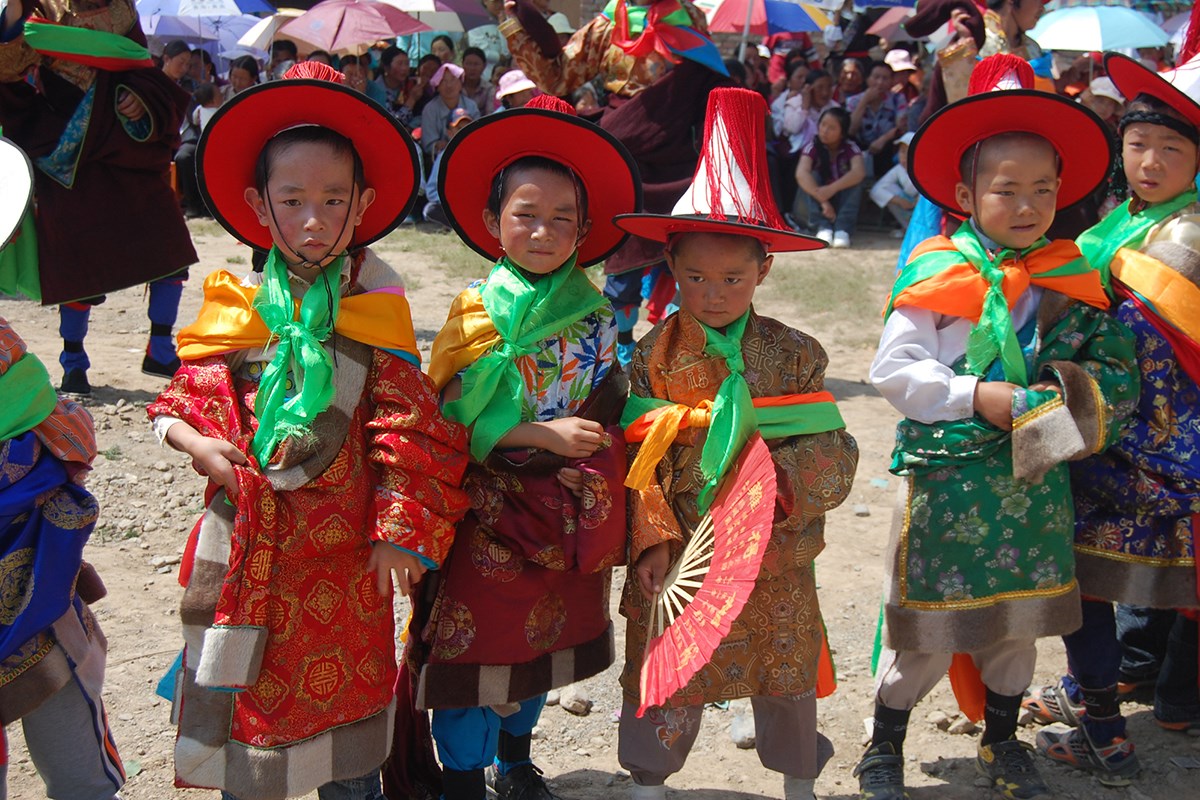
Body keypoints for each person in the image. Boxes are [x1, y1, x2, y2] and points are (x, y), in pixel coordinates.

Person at [145, 62, 470, 800]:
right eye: (292, 200)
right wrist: (197, 443)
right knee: (250, 723)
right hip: (249, 552)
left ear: (364, 205)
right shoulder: (237, 311)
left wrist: (398, 531)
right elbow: (180, 400)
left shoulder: (375, 317)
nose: (314, 219)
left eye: (333, 200)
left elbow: (413, 435)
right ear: (259, 206)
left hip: (346, 565)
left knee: (347, 729)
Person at [860, 54, 1138, 800]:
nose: (1027, 206)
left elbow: (1112, 373)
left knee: (1018, 623)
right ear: (964, 195)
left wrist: (1054, 405)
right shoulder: (938, 272)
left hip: (1032, 479)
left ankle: (1002, 740)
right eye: (1006, 189)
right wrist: (972, 394)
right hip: (946, 480)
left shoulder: (1070, 279)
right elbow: (894, 369)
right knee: (926, 622)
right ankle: (884, 745)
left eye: (1043, 190)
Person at [611, 86, 857, 800]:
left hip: (774, 549)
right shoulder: (652, 357)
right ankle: (650, 780)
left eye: (732, 278)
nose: (713, 293)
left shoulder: (796, 354)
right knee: (668, 663)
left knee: (784, 662)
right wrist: (650, 542)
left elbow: (832, 448)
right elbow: (639, 459)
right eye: (694, 277)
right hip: (682, 551)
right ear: (670, 265)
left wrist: (774, 495)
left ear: (764, 269)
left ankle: (798, 780)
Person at [396, 94, 640, 800]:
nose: (544, 232)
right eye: (526, 214)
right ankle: (464, 779)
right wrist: (536, 434)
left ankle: (518, 761)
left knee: (543, 642)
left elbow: (607, 398)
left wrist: (592, 450)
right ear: (491, 222)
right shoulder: (475, 308)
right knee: (477, 644)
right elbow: (448, 411)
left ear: (585, 230)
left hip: (563, 508)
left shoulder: (596, 314)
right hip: (486, 511)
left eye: (563, 218)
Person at [1021, 44, 1200, 782]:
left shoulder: (1186, 236)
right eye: (1137, 144)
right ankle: (1124, 684)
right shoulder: (1124, 220)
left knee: (1088, 569)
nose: (1150, 162)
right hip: (1123, 425)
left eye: (1171, 149)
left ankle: (1110, 713)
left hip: (1150, 441)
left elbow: (1148, 348)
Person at [489, 0, 732, 365]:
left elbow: (704, 81)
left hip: (680, 156)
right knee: (625, 257)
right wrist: (518, 19)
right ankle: (623, 350)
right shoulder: (607, 24)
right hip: (627, 150)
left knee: (688, 255)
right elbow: (558, 76)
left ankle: (682, 348)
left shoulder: (689, 15)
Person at [0, 139, 121, 800]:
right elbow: (67, 439)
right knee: (72, 743)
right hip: (35, 577)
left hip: (30, 569)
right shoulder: (6, 351)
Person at [0, 0, 197, 394]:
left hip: (124, 145)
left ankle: (160, 349)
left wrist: (139, 98)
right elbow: (8, 70)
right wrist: (13, 15)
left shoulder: (122, 10)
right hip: (65, 154)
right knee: (77, 266)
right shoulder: (43, 9)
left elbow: (140, 65)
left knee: (169, 249)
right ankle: (73, 363)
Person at [794, 107, 865, 249]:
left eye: (832, 128)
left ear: (842, 133)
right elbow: (801, 173)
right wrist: (824, 201)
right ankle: (822, 227)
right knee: (811, 177)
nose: (825, 131)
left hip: (840, 201)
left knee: (855, 182)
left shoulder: (851, 148)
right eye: (823, 125)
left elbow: (859, 172)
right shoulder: (812, 147)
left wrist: (832, 189)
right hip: (816, 204)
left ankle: (842, 229)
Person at [847, 60, 907, 179]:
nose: (880, 83)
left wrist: (883, 139)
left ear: (891, 81)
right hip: (861, 151)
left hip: (887, 150)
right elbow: (850, 130)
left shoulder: (898, 99)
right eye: (876, 77)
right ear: (867, 79)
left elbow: (901, 127)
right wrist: (864, 102)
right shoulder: (853, 101)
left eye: (885, 78)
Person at [422, 107, 473, 228]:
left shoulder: (477, 154)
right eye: (459, 129)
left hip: (472, 205)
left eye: (467, 128)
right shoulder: (444, 157)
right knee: (429, 210)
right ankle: (454, 224)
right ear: (449, 132)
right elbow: (431, 190)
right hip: (450, 204)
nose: (464, 132)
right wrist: (450, 199)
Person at [420, 62, 479, 157]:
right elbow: (429, 144)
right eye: (443, 81)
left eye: (453, 80)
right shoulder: (430, 109)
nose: (449, 85)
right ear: (437, 86)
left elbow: (477, 136)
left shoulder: (471, 106)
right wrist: (439, 146)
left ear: (461, 83)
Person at [869, 131, 917, 235]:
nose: (905, 156)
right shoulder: (898, 169)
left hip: (922, 211)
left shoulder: (925, 169)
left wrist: (918, 200)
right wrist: (899, 200)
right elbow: (875, 191)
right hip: (907, 207)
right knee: (889, 190)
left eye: (910, 152)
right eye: (902, 151)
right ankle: (908, 228)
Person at [368, 45, 426, 127]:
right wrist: (412, 99)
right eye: (400, 64)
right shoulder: (376, 90)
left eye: (407, 64)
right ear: (386, 68)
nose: (404, 68)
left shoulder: (411, 85)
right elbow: (393, 123)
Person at [461, 45, 491, 111]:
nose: (472, 68)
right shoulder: (456, 86)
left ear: (484, 66)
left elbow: (490, 112)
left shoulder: (489, 89)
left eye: (476, 64)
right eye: (468, 64)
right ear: (462, 64)